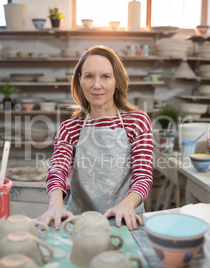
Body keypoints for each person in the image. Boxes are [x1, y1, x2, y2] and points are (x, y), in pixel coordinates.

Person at [38, 45, 153, 231]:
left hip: (124, 219)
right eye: (89, 76)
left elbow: (143, 175)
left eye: (105, 76)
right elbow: (57, 170)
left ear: (117, 81)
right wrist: (55, 204)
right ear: (80, 81)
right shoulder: (70, 127)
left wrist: (127, 204)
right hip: (80, 222)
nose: (96, 85)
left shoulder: (137, 122)